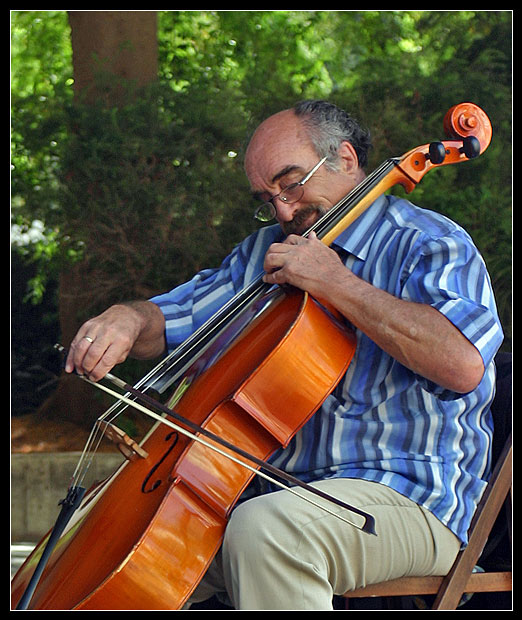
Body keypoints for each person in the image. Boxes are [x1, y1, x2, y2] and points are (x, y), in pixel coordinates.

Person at [65, 100, 503, 610]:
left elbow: (463, 363)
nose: (284, 212)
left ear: (343, 158)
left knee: (268, 532)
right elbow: (172, 320)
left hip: (409, 501)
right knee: (97, 540)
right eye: (266, 198)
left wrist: (336, 282)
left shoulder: (429, 242)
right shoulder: (263, 254)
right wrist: (129, 319)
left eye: (291, 183)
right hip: (271, 493)